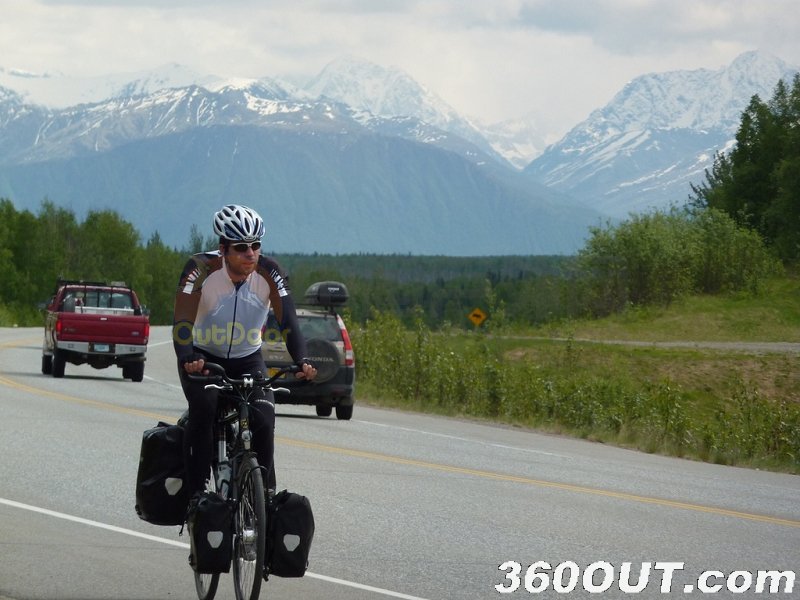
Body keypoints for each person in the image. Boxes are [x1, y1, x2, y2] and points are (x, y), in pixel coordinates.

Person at [172, 204, 316, 500]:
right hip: (203, 356)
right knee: (205, 408)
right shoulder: (199, 269)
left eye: (256, 246)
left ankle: (265, 496)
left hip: (247, 358)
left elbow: (288, 322)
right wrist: (187, 356)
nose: (251, 254)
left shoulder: (270, 272)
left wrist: (301, 359)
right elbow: (183, 323)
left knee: (264, 416)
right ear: (223, 249)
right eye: (241, 247)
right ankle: (196, 497)